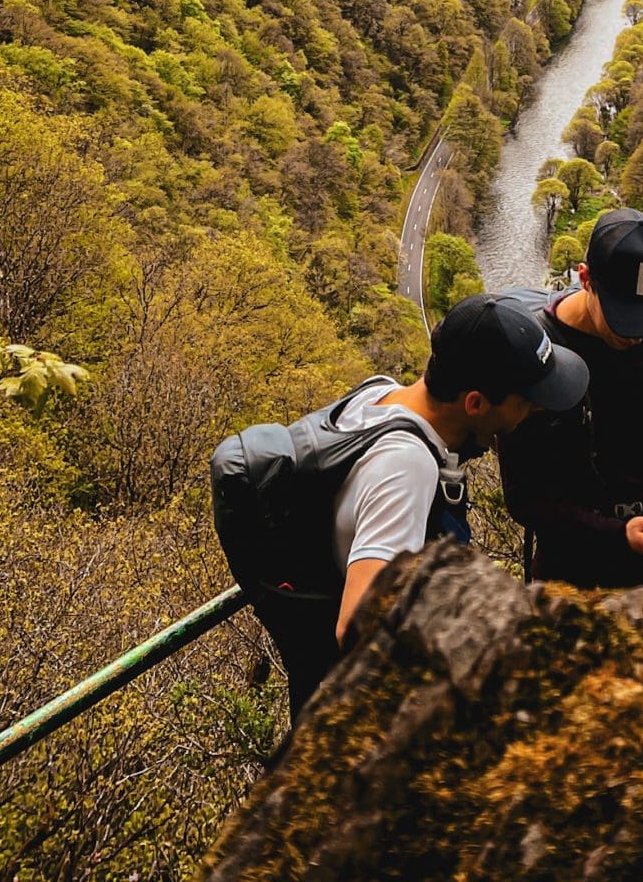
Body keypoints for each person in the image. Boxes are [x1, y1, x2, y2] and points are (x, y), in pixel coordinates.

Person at [215, 292, 588, 719]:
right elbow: (359, 627)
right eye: (524, 403)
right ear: (476, 403)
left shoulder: (380, 393)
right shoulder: (406, 466)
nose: (532, 412)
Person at [497, 208, 643, 620]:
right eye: (626, 318)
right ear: (585, 279)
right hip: (570, 578)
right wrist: (614, 534)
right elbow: (524, 497)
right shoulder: (537, 355)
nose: (641, 333)